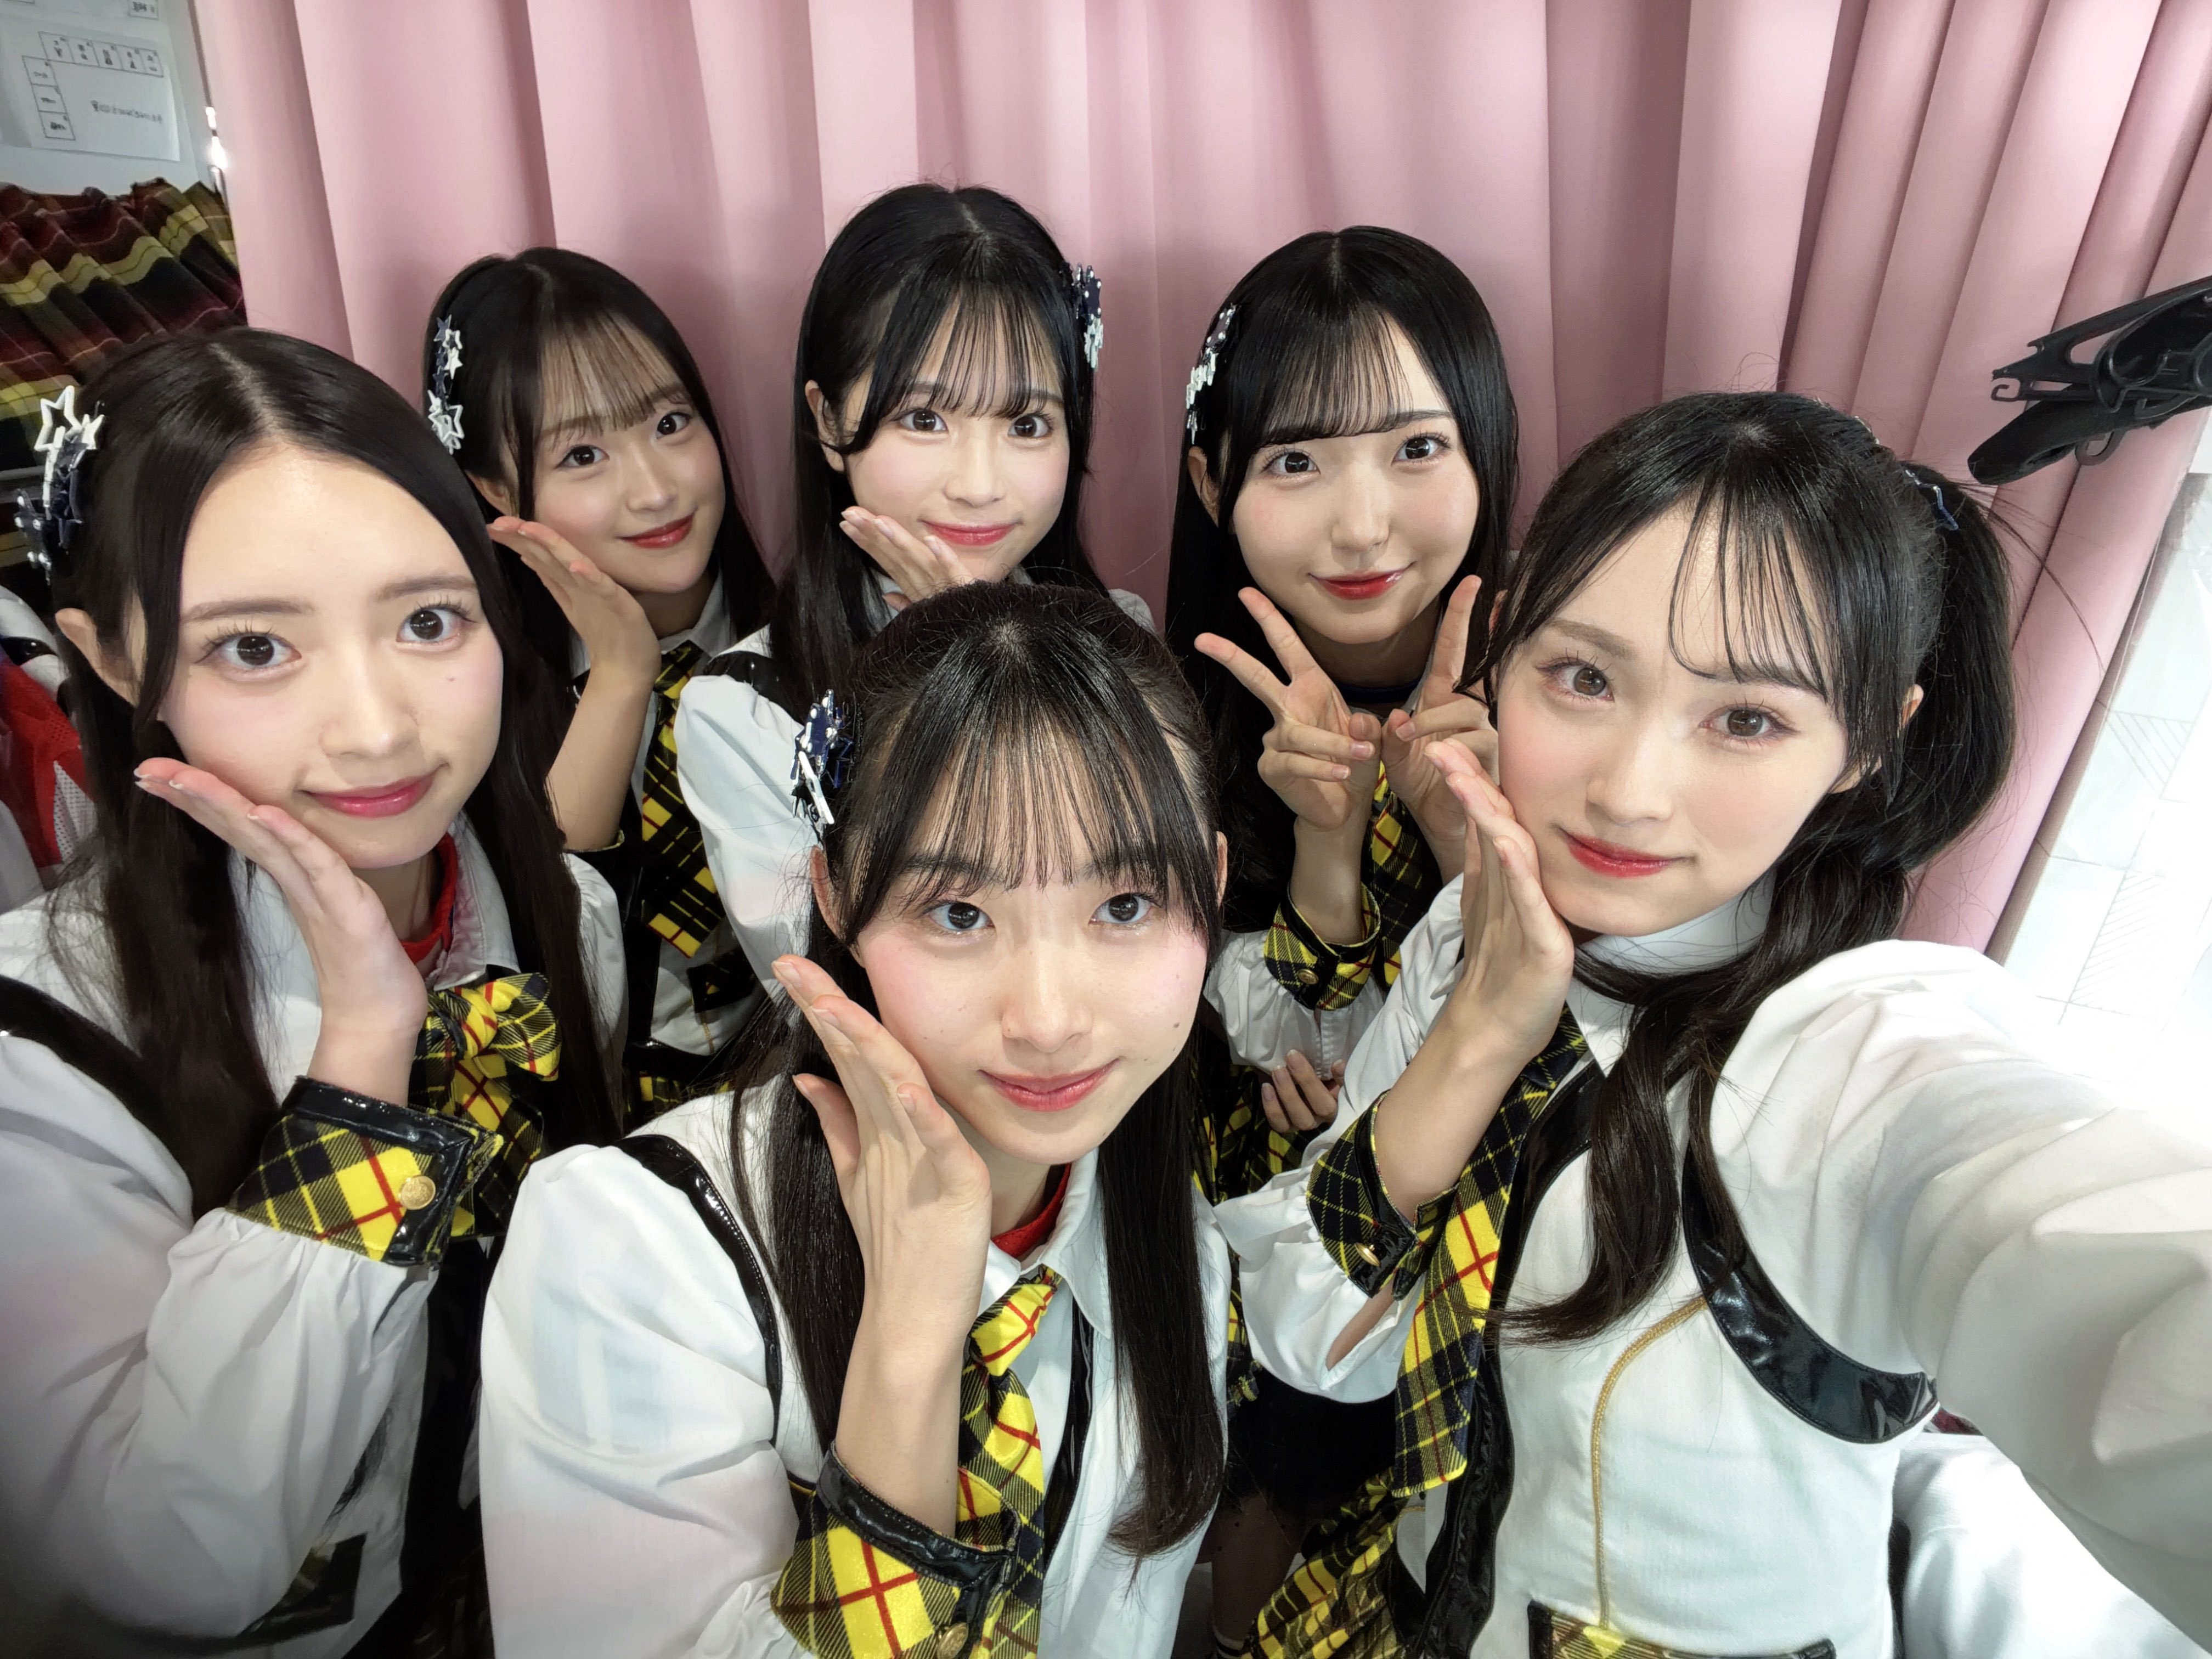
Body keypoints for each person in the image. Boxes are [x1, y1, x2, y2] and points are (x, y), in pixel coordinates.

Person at [1221, 391, 2212, 1656]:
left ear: (1868, 743)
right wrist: (1479, 1031)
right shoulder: (1471, 933)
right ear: (1503, 655)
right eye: (1583, 677)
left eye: (1747, 719)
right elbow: (1313, 1342)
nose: (1630, 793)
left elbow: (2119, 1280)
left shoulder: (1860, 1057)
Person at [0, 329, 624, 1654]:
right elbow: (170, 1561)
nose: (379, 727)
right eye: (253, 649)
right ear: (111, 659)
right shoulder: (40, 1043)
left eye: (428, 622)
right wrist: (360, 1064)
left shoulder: (568, 919)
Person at [479, 583, 1231, 1656]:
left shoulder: (1171, 1244)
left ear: (1211, 883)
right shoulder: (634, 1250)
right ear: (834, 896)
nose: (1049, 1019)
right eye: (960, 913)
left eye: (1125, 906)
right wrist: (909, 1353)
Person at [1162, 228, 1517, 1654]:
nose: (1364, 527)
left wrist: (1463, 848)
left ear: (1489, 450)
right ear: (1213, 483)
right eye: (1298, 461)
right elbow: (1231, 1049)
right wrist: (1325, 844)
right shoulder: (1169, 717)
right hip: (1236, 1306)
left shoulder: (1575, 702)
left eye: (1417, 449)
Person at [675, 182, 1147, 992]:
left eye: (1027, 423)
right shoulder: (744, 709)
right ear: (829, 422)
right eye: (925, 419)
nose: (979, 484)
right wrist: (952, 663)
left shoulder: (1123, 638)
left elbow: (1156, 932)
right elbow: (825, 992)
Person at [424, 247, 774, 1116]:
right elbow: (552, 952)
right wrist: (621, 676)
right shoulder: (474, 696)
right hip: (607, 1125)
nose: (654, 490)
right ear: (494, 488)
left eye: (671, 423)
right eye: (583, 454)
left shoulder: (810, 641)